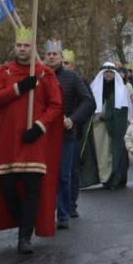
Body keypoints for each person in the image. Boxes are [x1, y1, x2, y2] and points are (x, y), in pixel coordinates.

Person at [0, 27, 63, 254]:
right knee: (7, 186)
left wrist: (39, 127)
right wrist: (20, 87)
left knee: (33, 189)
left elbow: (56, 106)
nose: (22, 49)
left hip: (33, 140)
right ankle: (25, 219)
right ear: (14, 47)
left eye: (27, 46)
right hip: (8, 142)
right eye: (19, 45)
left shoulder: (45, 74)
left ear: (33, 48)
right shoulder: (3, 73)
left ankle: (25, 238)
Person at [43, 40, 94, 229]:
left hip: (66, 135)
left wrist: (72, 119)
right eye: (48, 54)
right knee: (44, 175)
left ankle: (64, 213)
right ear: (44, 56)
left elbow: (88, 102)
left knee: (64, 175)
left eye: (55, 54)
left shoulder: (72, 78)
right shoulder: (39, 76)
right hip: (44, 134)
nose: (51, 57)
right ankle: (46, 213)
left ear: (61, 57)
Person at [81, 63, 133, 189]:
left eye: (111, 72)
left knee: (115, 152)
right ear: (102, 74)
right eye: (106, 72)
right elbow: (89, 107)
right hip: (98, 127)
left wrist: (109, 115)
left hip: (116, 128)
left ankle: (115, 179)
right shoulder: (95, 89)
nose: (108, 74)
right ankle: (104, 178)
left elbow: (124, 111)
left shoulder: (121, 90)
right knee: (101, 153)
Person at [61, 49, 92, 218]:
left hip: (75, 133)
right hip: (53, 134)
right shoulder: (51, 78)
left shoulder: (79, 81)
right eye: (62, 62)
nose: (64, 66)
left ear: (72, 65)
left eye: (67, 63)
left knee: (71, 170)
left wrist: (75, 119)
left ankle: (71, 204)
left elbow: (89, 104)